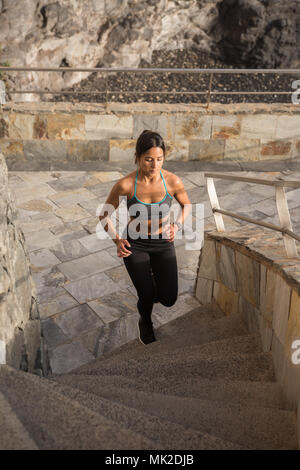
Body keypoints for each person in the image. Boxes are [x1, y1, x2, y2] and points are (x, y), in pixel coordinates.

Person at [99, 130, 191, 345]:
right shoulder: (126, 185)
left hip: (163, 243)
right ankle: (145, 321)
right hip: (135, 244)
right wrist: (117, 240)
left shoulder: (173, 181)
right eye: (149, 159)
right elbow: (104, 215)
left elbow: (186, 204)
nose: (154, 165)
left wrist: (177, 225)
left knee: (169, 299)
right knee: (147, 295)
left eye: (159, 159)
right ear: (138, 157)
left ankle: (150, 281)